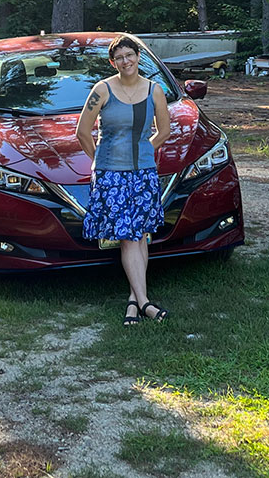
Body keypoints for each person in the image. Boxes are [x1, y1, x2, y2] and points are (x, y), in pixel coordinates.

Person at [77, 35, 172, 325]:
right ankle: (145, 303)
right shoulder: (102, 90)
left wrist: (143, 151)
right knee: (129, 236)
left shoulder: (155, 91)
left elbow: (164, 132)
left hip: (143, 174)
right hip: (111, 175)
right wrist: (100, 161)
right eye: (119, 58)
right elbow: (82, 131)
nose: (125, 61)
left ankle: (134, 301)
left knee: (139, 234)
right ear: (112, 62)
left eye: (129, 55)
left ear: (138, 56)